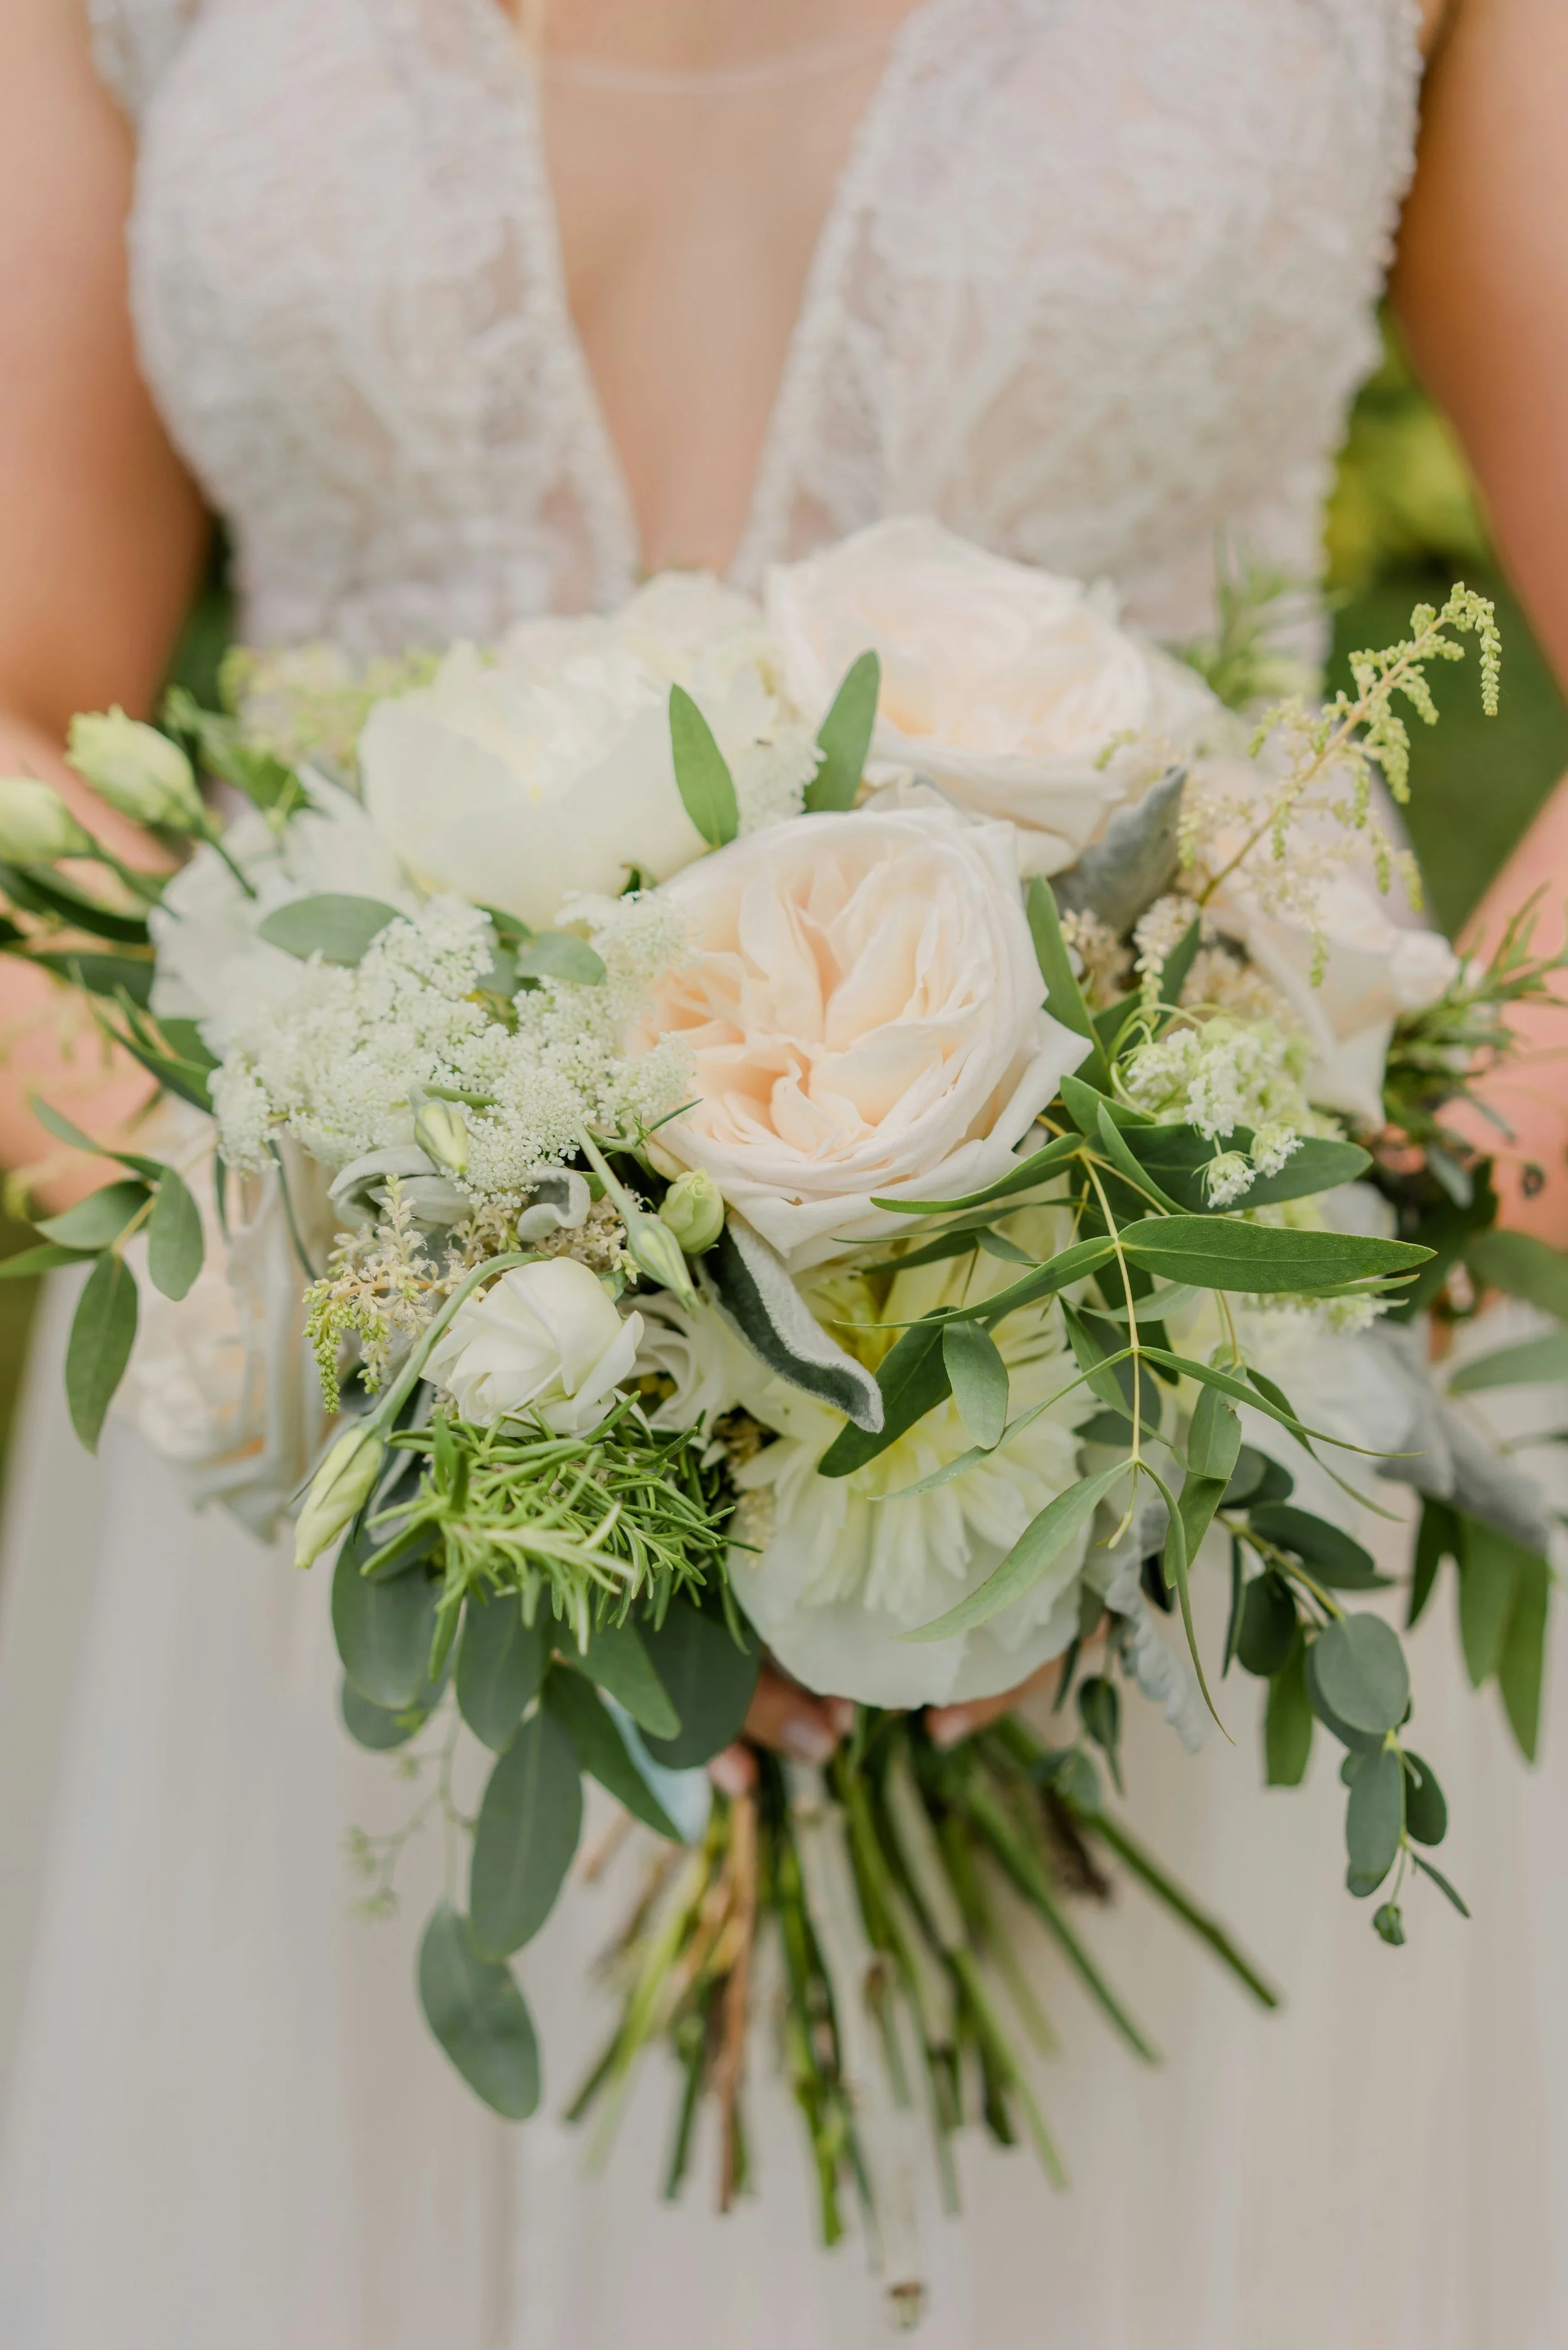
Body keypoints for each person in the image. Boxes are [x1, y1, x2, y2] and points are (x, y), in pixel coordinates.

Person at [0, 2, 1564, 2344]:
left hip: (1214, 1510)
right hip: (340, 1468)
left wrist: (1233, 1326)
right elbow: (30, 688)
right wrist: (412, 1338)